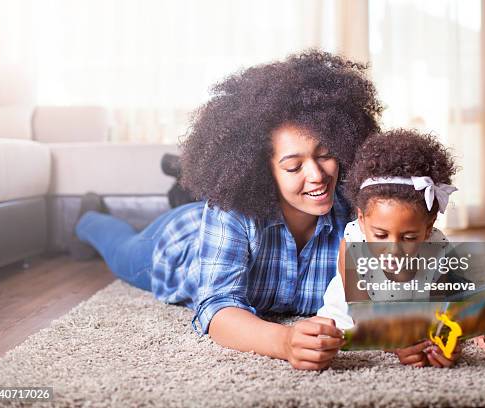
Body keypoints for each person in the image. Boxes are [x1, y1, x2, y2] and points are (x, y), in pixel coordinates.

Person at [72, 50, 383, 370]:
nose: (317, 175)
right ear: (263, 171)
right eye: (293, 167)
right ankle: (88, 216)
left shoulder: (359, 215)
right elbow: (218, 306)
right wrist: (285, 341)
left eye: (325, 155)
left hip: (218, 216)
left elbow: (393, 294)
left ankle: (180, 184)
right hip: (181, 241)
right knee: (119, 246)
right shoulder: (232, 211)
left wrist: (417, 335)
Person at [317, 129, 485, 368]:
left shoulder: (436, 248)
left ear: (428, 229)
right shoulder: (353, 243)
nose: (393, 249)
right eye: (380, 235)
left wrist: (443, 343)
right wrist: (396, 342)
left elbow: (437, 311)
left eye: (408, 236)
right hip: (351, 328)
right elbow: (364, 317)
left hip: (413, 325)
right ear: (362, 219)